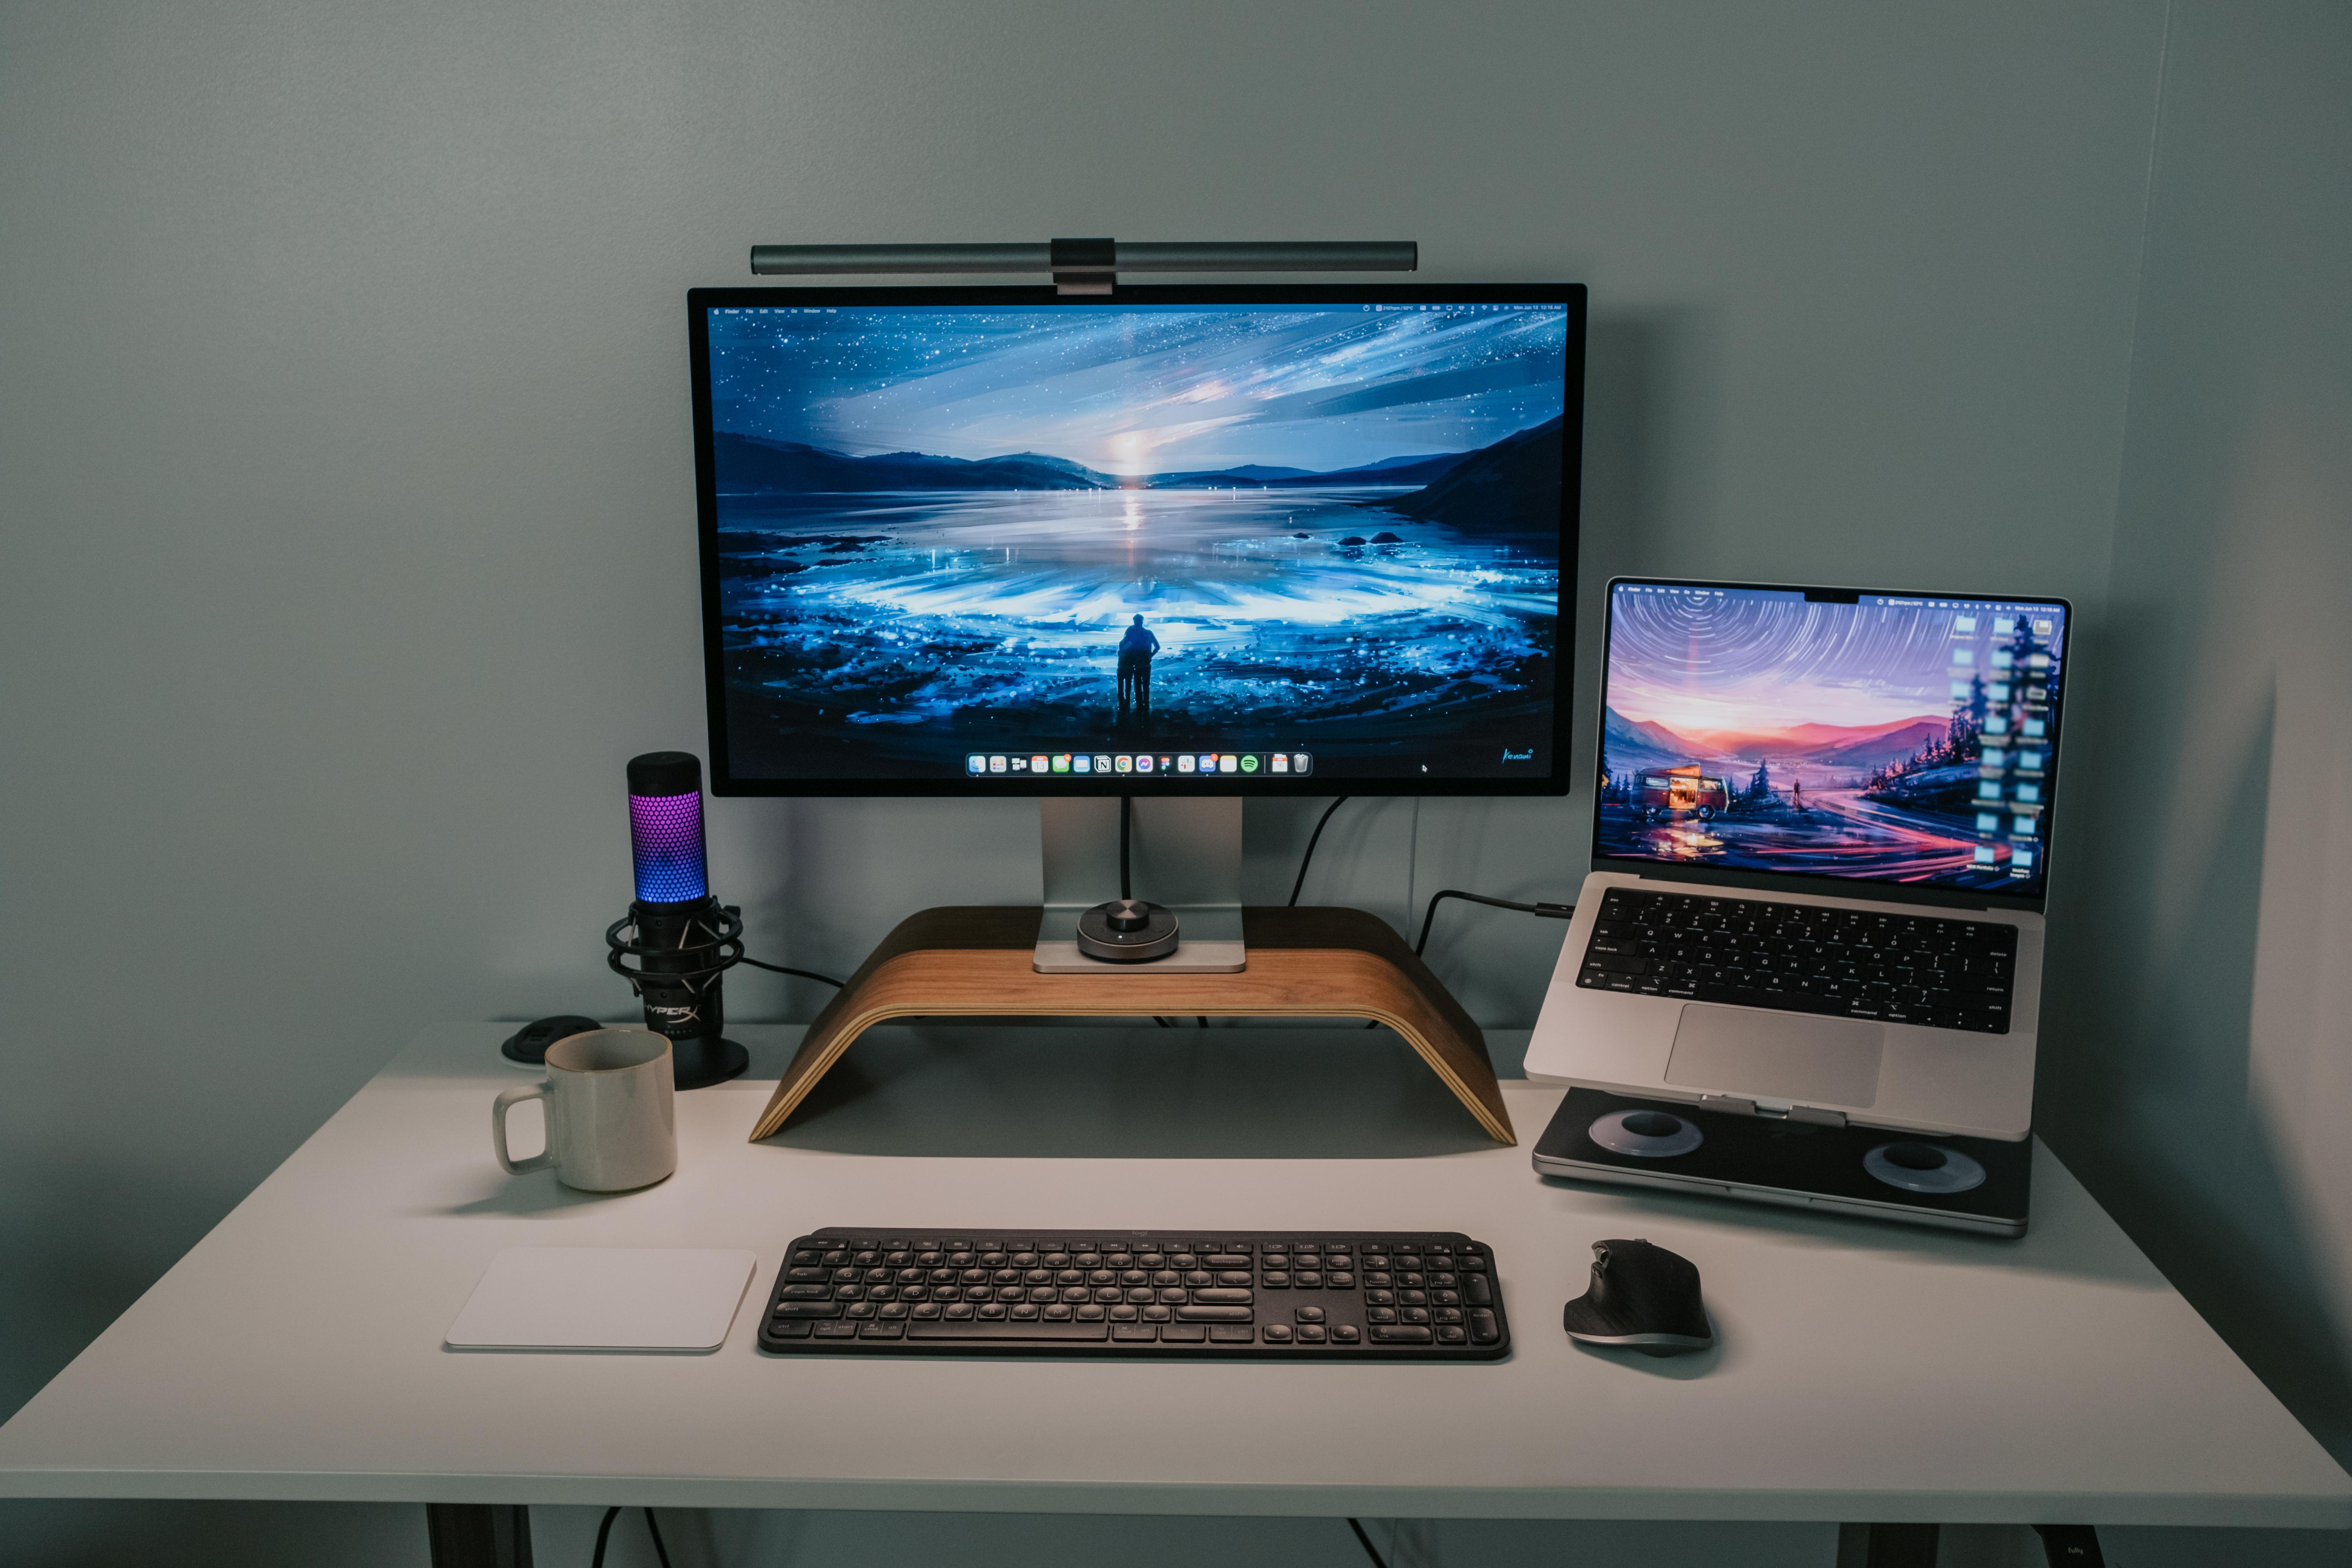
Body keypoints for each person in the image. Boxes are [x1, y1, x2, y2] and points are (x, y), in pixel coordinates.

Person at [1116, 614, 1160, 716]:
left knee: (1138, 688)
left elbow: (1124, 644)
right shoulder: (1148, 633)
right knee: (1145, 687)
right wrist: (1150, 656)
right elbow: (1158, 647)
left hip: (1136, 664)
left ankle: (1139, 709)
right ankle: (1145, 709)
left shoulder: (1131, 631)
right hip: (1144, 664)